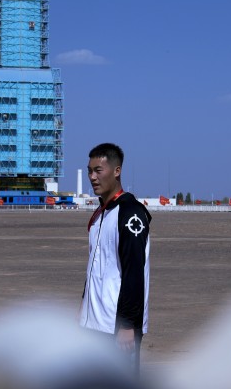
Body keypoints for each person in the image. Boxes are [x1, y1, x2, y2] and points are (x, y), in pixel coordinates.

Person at [79, 143, 151, 377]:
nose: (92, 177)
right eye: (90, 171)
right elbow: (94, 268)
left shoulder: (130, 213)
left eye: (98, 170)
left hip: (117, 327)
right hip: (93, 325)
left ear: (117, 171)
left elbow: (133, 272)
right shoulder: (100, 214)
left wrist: (128, 325)